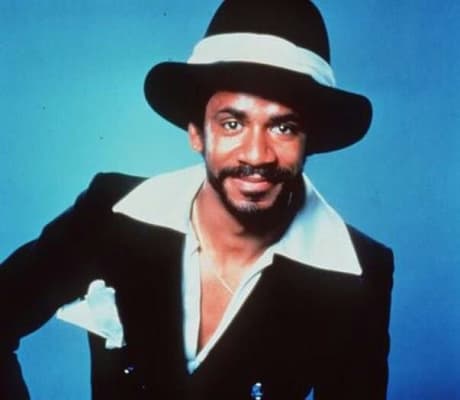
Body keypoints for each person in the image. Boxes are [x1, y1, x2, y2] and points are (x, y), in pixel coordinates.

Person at [0, 1, 394, 399]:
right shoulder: (111, 212)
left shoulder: (358, 273)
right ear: (196, 133)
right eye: (232, 123)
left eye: (283, 127)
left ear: (310, 141)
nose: (256, 155)